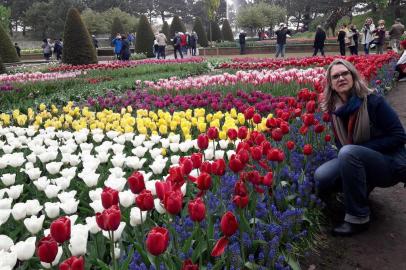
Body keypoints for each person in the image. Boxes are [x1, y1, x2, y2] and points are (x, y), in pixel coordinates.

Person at [315, 59, 406, 237]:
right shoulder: (335, 111)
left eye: (344, 74)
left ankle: (358, 217)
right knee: (322, 176)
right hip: (355, 158)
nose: (340, 78)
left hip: (390, 163)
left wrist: (361, 149)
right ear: (331, 84)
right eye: (335, 76)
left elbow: (399, 136)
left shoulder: (373, 102)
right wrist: (355, 153)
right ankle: (355, 195)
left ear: (353, 76)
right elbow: (343, 146)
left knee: (349, 152)